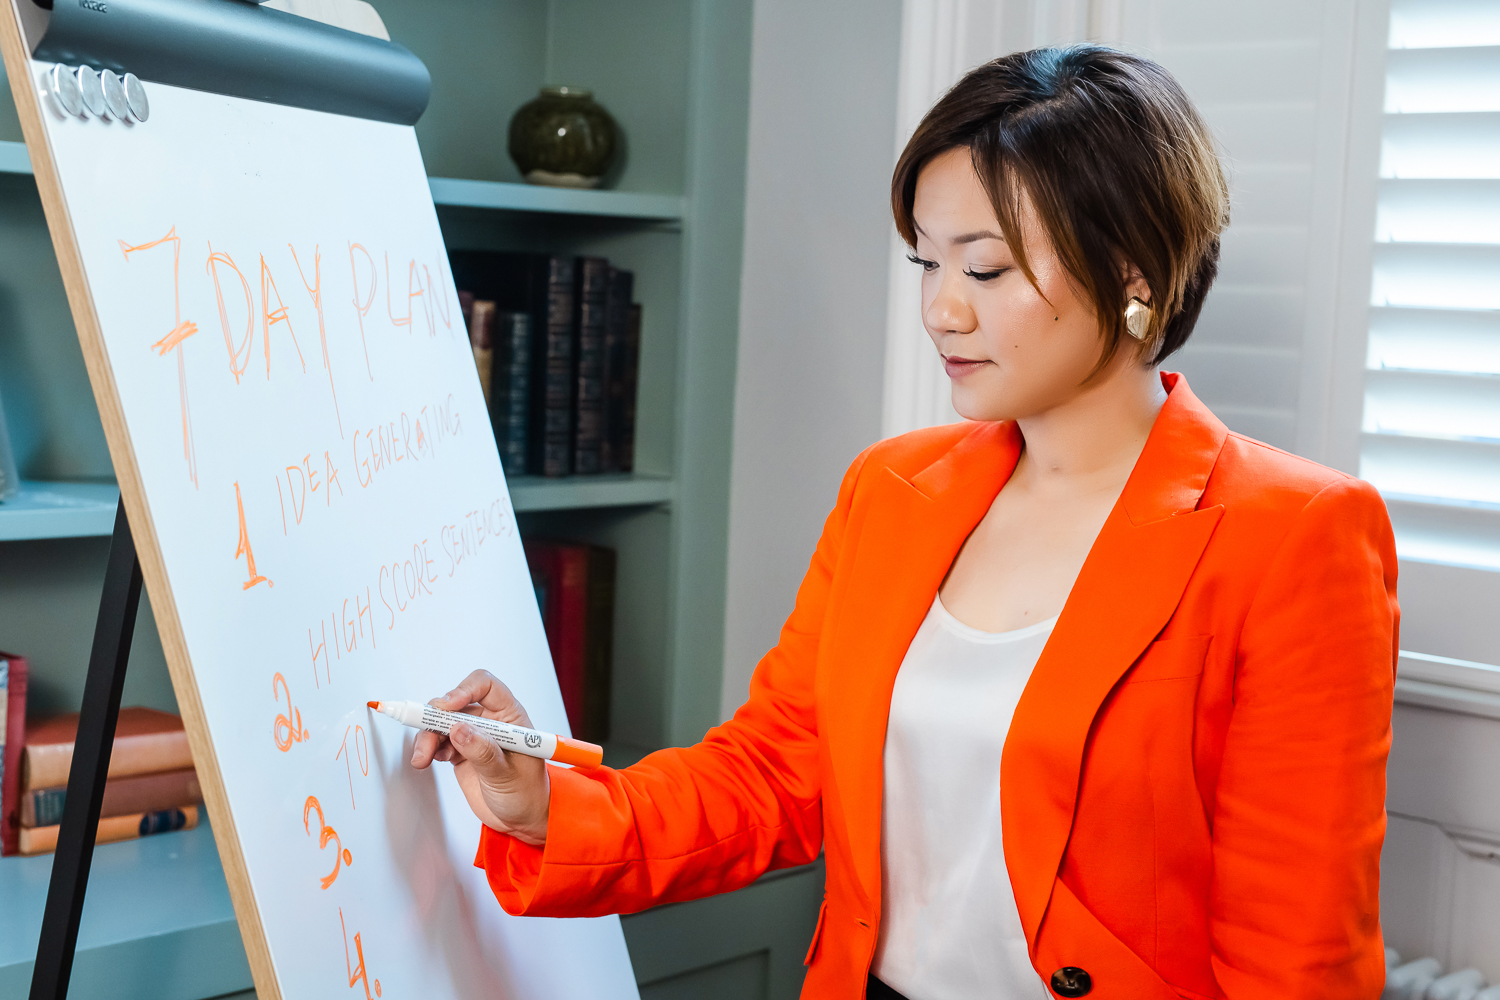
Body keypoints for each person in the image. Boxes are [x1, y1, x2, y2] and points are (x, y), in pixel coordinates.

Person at [413, 45, 1398, 1000]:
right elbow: (769, 778)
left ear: (1134, 271)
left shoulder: (1295, 534)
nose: (941, 312)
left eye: (986, 270)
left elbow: (1296, 959)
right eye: (927, 263)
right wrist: (536, 797)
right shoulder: (892, 489)